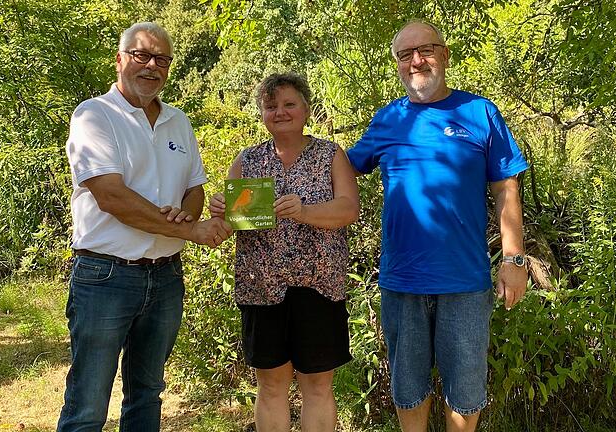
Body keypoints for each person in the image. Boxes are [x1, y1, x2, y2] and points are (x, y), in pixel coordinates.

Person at [346, 20, 530, 432]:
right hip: (402, 281)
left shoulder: (480, 112)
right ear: (396, 64)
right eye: (405, 54)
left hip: (465, 281)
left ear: (444, 55)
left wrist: (514, 258)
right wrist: (283, 160)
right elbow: (340, 169)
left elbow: (506, 188)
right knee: (408, 390)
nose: (416, 61)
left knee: (465, 395)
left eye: (426, 49)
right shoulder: (388, 118)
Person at [58, 22, 232, 432]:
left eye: (162, 59)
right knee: (88, 401)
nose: (152, 65)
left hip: (166, 276)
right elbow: (111, 196)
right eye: (141, 55)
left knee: (147, 392)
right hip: (106, 275)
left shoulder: (178, 121)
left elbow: (194, 188)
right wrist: (190, 231)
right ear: (120, 60)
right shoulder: (94, 116)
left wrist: (187, 217)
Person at [209, 73, 359, 432]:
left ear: (306, 109)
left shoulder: (330, 155)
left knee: (318, 386)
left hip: (320, 287)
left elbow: (348, 209)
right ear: (262, 113)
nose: (280, 112)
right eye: (271, 105)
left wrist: (305, 211)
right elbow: (231, 226)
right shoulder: (248, 161)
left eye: (289, 104)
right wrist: (220, 211)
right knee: (271, 386)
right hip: (262, 288)